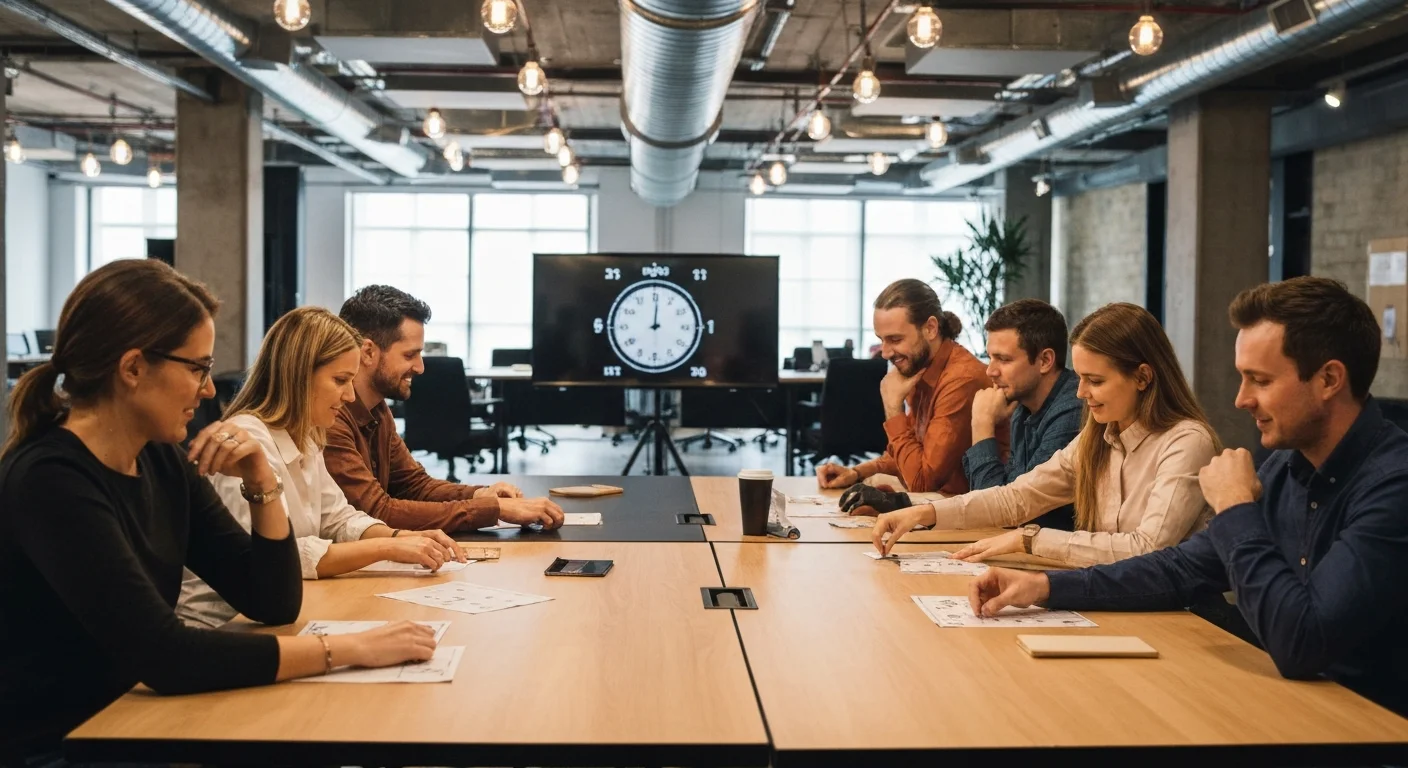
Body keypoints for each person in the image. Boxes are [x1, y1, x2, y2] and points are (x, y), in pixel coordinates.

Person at [0, 261, 436, 762]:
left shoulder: (160, 458)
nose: (209, 391)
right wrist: (348, 650)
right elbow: (167, 656)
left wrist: (262, 483)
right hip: (67, 740)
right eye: (197, 369)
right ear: (134, 368)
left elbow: (270, 601)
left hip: (138, 716)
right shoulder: (52, 479)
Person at [966, 278, 1408, 716]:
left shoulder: (1393, 485)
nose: (1241, 400)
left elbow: (1302, 641)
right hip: (1283, 703)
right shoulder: (1287, 465)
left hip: (1361, 730)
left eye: (1260, 380)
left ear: (1329, 378)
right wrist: (1043, 587)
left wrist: (1236, 507)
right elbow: (1179, 569)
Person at [179, 307, 466, 629]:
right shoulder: (245, 441)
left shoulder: (306, 433)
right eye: (341, 380)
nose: (350, 394)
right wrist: (389, 546)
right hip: (221, 623)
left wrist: (403, 536)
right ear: (298, 377)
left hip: (272, 612)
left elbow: (338, 518)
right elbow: (275, 558)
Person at [873, 302, 1220, 567]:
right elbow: (1017, 497)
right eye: (1081, 378)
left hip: (1184, 615)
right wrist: (926, 515)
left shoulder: (1186, 441)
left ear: (1143, 378)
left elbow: (1146, 551)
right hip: (1117, 595)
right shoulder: (1100, 434)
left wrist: (1031, 540)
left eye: (1095, 381)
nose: (1081, 392)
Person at [327, 285, 564, 532]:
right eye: (410, 355)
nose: (420, 368)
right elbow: (376, 512)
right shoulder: (332, 418)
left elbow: (414, 486)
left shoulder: (377, 409)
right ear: (368, 352)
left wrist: (481, 495)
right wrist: (495, 510)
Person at [817, 279, 1004, 496]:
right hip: (942, 509)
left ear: (931, 328)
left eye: (895, 339)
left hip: (971, 518)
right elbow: (909, 452)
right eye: (881, 340)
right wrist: (856, 472)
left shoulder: (961, 380)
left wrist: (893, 408)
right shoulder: (920, 367)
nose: (885, 352)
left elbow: (922, 481)